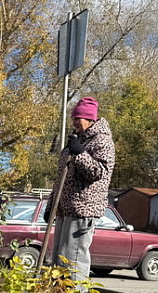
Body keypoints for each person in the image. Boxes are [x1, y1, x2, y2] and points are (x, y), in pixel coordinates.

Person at [47, 96, 115, 282]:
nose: (74, 122)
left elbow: (99, 172)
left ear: (90, 119)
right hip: (65, 208)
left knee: (73, 260)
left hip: (83, 209)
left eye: (78, 118)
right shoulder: (76, 141)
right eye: (73, 118)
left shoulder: (102, 141)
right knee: (59, 260)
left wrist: (81, 154)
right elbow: (61, 177)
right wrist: (51, 205)